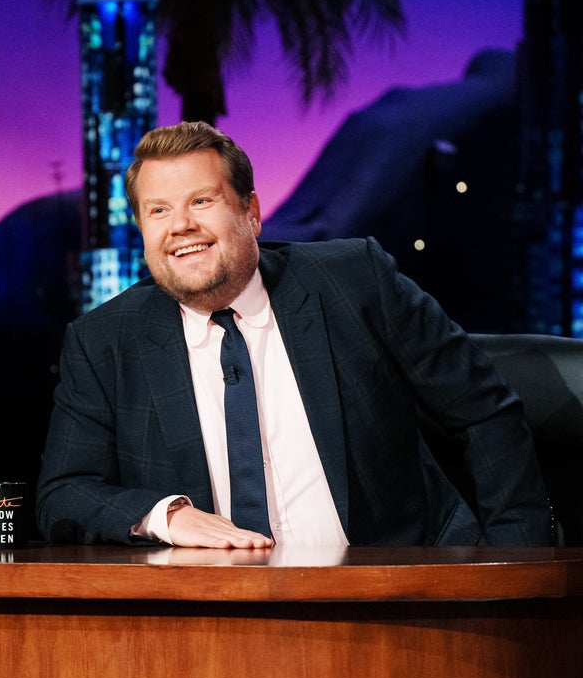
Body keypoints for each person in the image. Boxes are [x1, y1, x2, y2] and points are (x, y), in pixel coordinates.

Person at [36, 121, 554, 549]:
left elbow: (485, 411)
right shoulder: (103, 341)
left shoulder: (356, 281)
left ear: (251, 212)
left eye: (201, 201)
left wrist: (516, 567)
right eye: (158, 210)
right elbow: (62, 493)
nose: (180, 226)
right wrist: (166, 517)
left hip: (400, 593)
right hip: (213, 615)